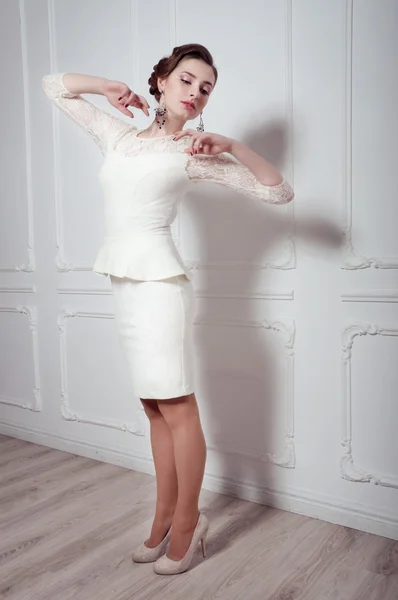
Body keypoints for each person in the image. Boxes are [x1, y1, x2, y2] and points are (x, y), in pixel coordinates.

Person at [42, 43, 294, 575]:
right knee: (153, 407)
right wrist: (105, 84)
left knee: (178, 407)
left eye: (206, 88)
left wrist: (233, 146)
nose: (195, 93)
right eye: (186, 79)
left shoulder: (194, 153)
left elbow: (279, 193)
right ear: (160, 81)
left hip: (161, 286)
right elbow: (53, 85)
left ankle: (186, 524)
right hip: (124, 283)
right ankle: (160, 520)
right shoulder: (119, 136)